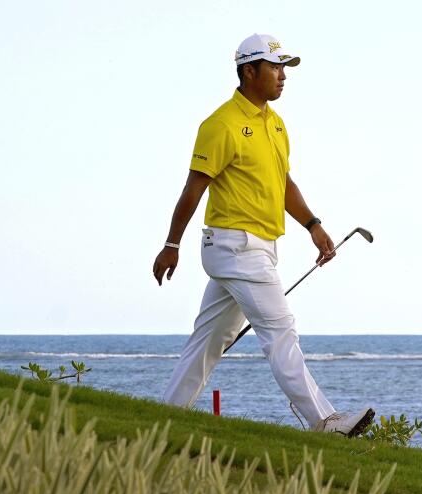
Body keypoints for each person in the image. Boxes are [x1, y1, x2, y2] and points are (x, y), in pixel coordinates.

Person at [152, 33, 374, 437]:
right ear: (248, 71)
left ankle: (167, 415)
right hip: (235, 246)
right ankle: (325, 421)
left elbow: (283, 183)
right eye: (274, 67)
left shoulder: (275, 124)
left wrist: (313, 224)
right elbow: (194, 187)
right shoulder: (221, 124)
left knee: (210, 339)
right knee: (280, 330)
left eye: (284, 68)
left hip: (258, 248)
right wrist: (171, 245)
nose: (282, 76)